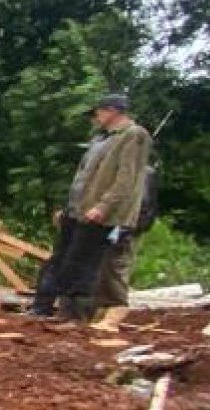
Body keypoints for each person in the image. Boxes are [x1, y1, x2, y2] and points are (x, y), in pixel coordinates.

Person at [26, 94, 153, 324]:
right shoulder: (100, 139)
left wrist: (103, 207)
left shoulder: (134, 136)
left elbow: (126, 180)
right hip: (78, 210)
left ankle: (75, 318)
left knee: (82, 265)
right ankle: (44, 310)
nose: (95, 118)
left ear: (113, 111)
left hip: (100, 215)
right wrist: (68, 208)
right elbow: (83, 179)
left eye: (97, 113)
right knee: (59, 261)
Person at [95, 160, 158, 311]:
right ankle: (104, 308)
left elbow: (143, 205)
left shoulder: (141, 173)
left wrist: (125, 228)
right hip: (116, 225)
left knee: (116, 267)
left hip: (126, 227)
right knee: (104, 267)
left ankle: (116, 310)